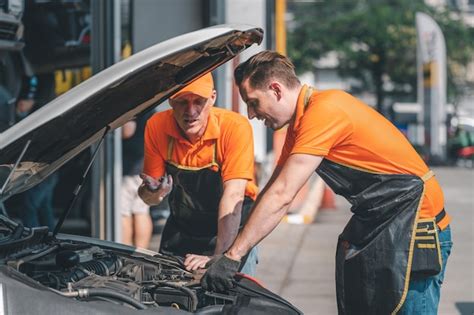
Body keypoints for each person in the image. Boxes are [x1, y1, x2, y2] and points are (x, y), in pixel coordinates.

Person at [201, 51, 452, 314]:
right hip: (386, 223)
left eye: (253, 102)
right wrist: (229, 252)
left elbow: (283, 195)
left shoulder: (325, 110)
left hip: (418, 225)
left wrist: (233, 257)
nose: (252, 114)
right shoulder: (301, 123)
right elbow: (273, 189)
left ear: (275, 89)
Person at [138, 73, 259, 275]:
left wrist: (220, 258)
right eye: (182, 102)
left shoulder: (234, 128)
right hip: (182, 229)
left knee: (230, 301)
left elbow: (233, 196)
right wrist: (153, 192)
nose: (190, 111)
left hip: (232, 229)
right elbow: (149, 199)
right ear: (170, 100)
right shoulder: (156, 126)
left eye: (198, 102)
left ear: (212, 98)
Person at [121, 113, 153, 248]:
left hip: (127, 167)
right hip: (143, 166)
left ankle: (125, 256)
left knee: (122, 213)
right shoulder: (151, 106)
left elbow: (126, 131)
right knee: (141, 211)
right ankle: (141, 253)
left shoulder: (131, 106)